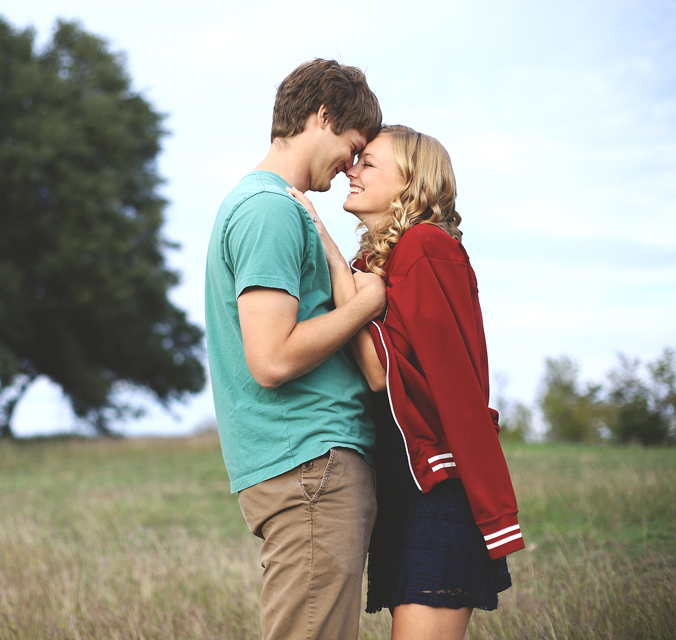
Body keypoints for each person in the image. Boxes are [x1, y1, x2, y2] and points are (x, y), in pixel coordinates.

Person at [288, 124, 525, 640]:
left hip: (437, 488)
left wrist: (326, 245)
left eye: (368, 163)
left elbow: (380, 372)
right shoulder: (378, 262)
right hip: (403, 486)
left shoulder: (426, 245)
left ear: (411, 182)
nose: (351, 170)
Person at [204, 59, 386, 640]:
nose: (352, 167)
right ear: (323, 116)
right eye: (352, 147)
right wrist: (364, 305)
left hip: (308, 464)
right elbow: (272, 358)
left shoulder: (272, 206)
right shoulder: (270, 210)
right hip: (310, 463)